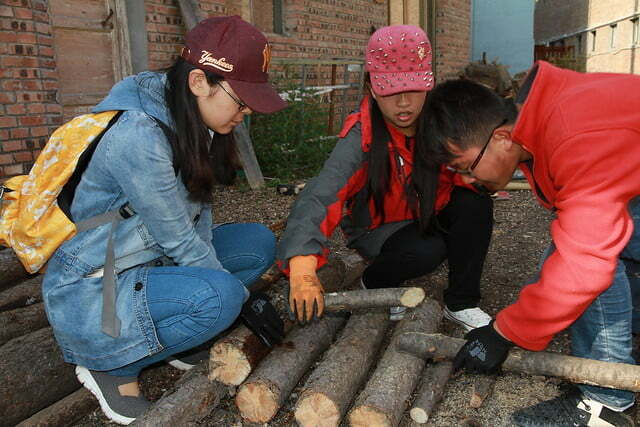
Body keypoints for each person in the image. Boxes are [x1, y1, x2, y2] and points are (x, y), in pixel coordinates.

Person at [41, 16, 286, 425]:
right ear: (198, 83)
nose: (245, 113)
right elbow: (178, 238)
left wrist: (218, 279)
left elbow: (199, 213)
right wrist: (241, 299)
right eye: (240, 100)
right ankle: (109, 364)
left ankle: (172, 335)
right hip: (96, 282)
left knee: (256, 242)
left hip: (147, 258)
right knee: (221, 295)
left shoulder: (194, 120)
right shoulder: (139, 135)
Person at [420, 60, 640, 426]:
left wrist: (504, 331)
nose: (468, 180)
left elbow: (583, 266)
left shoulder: (572, 134)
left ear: (503, 139)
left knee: (587, 263)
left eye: (465, 167)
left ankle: (607, 402)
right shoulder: (542, 118)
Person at [276, 25, 494, 329]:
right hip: (379, 229)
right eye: (391, 91)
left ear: (428, 85)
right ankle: (374, 282)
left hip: (425, 212)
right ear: (371, 88)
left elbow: (468, 170)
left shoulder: (441, 124)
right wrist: (301, 268)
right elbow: (320, 195)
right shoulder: (360, 136)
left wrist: (478, 174)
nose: (403, 103)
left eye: (413, 89)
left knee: (475, 202)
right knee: (427, 251)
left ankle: (461, 302)